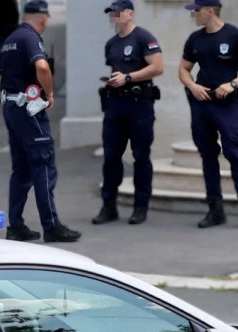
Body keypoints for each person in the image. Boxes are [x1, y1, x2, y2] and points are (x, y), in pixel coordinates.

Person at [0, 0, 81, 243]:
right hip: (30, 112)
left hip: (12, 109)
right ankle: (51, 226)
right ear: (42, 18)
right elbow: (41, 66)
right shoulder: (30, 38)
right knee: (43, 165)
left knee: (21, 170)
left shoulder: (11, 40)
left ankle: (16, 226)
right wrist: (48, 94)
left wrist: (11, 97)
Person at [179, 0, 238, 231]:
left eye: (197, 11)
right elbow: (183, 69)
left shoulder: (235, 35)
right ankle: (215, 210)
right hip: (202, 104)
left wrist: (233, 84)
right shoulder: (195, 39)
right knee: (208, 155)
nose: (194, 15)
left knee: (235, 155)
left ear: (210, 11)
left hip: (226, 105)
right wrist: (193, 86)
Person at [92, 0, 164, 226]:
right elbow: (115, 70)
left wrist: (129, 78)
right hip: (115, 105)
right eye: (111, 13)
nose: (113, 17)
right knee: (111, 156)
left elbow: (157, 67)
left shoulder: (143, 37)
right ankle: (109, 206)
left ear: (130, 14)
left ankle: (140, 207)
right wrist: (114, 80)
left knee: (140, 155)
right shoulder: (111, 44)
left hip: (139, 104)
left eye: (117, 13)